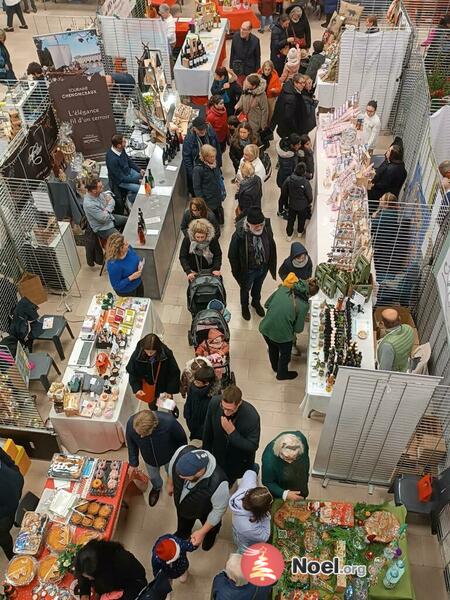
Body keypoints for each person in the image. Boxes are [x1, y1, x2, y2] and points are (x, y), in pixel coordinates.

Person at [167, 447, 229, 551]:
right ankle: (183, 533)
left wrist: (202, 532)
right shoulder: (181, 452)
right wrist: (170, 482)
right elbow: (171, 467)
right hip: (184, 508)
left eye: (185, 477)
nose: (181, 478)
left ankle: (210, 536)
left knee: (211, 528)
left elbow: (218, 511)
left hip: (205, 511)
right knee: (183, 524)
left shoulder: (219, 483)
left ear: (199, 472)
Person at [259, 276, 318, 379]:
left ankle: (275, 367)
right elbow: (298, 329)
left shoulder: (283, 288)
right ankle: (281, 374)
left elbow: (267, 304)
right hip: (283, 336)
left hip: (266, 327)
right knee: (285, 354)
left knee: (272, 347)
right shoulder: (304, 305)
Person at [127, 409, 187, 506]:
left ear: (153, 427)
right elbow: (131, 443)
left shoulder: (169, 422)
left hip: (169, 456)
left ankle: (173, 483)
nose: (141, 437)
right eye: (139, 434)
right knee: (154, 476)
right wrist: (133, 463)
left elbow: (182, 440)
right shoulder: (131, 423)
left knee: (171, 472)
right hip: (149, 458)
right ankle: (157, 487)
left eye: (143, 435)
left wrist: (180, 457)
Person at [202, 385, 260, 486]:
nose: (226, 412)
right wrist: (206, 454)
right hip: (218, 454)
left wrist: (232, 433)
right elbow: (208, 431)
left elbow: (252, 446)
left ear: (239, 404)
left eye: (230, 410)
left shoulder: (251, 416)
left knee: (230, 480)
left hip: (237, 460)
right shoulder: (214, 403)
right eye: (223, 408)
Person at [228, 207, 277, 320]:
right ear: (248, 223)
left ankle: (256, 302)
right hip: (248, 270)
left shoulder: (266, 228)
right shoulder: (239, 235)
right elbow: (232, 256)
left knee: (258, 286)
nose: (259, 227)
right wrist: (237, 274)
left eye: (261, 224)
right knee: (245, 289)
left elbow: (271, 244)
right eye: (256, 225)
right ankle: (245, 306)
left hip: (263, 266)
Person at [74, 540, 147, 600]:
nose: (89, 579)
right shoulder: (87, 561)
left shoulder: (123, 560)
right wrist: (84, 595)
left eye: (90, 577)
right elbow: (84, 578)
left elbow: (139, 581)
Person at [126, 333, 180, 409]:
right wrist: (137, 388)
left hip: (163, 386)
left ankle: (169, 411)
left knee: (166, 404)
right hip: (148, 387)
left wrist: (170, 390)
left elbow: (174, 372)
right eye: (147, 351)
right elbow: (132, 372)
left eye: (152, 352)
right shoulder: (138, 354)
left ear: (157, 349)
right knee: (152, 404)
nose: (149, 354)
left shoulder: (166, 354)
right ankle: (154, 413)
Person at [229, 469, 272, 552]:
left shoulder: (248, 487)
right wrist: (267, 517)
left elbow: (250, 472)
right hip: (244, 539)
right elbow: (265, 536)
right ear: (260, 512)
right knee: (244, 551)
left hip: (238, 525)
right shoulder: (249, 527)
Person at [371, 193, 409, 280]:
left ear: (386, 204)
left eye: (382, 199)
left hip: (382, 251)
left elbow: (371, 227)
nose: (380, 198)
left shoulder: (386, 215)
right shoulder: (390, 213)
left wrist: (373, 217)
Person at [262, 431, 310, 499]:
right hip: (282, 486)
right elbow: (268, 482)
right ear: (278, 451)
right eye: (287, 458)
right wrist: (284, 494)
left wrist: (306, 475)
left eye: (295, 457)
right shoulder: (269, 460)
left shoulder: (301, 438)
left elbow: (306, 460)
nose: (290, 462)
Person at [183, 116, 222, 195]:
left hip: (211, 165)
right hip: (198, 167)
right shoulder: (189, 139)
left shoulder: (210, 131)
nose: (202, 131)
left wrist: (219, 164)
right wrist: (192, 174)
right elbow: (186, 157)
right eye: (200, 129)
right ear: (194, 128)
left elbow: (217, 147)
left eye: (204, 128)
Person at [368, 144, 407, 214]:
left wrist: (371, 183)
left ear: (393, 155)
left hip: (380, 195)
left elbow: (381, 185)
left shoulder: (391, 169)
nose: (387, 152)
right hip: (389, 194)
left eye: (389, 151)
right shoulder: (400, 165)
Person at [105, 135, 144, 205]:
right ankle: (129, 198)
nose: (126, 141)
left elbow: (128, 161)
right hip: (121, 181)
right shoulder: (112, 160)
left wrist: (139, 170)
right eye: (124, 141)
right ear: (119, 145)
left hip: (128, 172)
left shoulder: (121, 149)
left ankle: (131, 190)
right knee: (141, 189)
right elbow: (121, 178)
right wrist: (137, 181)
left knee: (143, 177)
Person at [184, 366, 219, 441]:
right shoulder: (192, 388)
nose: (194, 383)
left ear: (207, 383)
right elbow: (188, 401)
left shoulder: (214, 398)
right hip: (192, 424)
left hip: (205, 429)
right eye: (195, 380)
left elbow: (213, 418)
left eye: (198, 382)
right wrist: (187, 417)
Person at [0, 447, 24, 559]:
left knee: (22, 511)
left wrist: (15, 471)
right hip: (2, 515)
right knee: (4, 538)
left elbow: (4, 457)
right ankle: (13, 557)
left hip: (13, 487)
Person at [192, 145, 225, 224]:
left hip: (217, 195)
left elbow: (219, 177)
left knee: (218, 214)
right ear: (204, 157)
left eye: (214, 156)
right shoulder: (198, 169)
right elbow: (197, 187)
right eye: (211, 157)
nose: (213, 159)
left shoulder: (214, 164)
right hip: (208, 200)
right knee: (210, 219)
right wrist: (202, 201)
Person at [280, 162, 313, 240]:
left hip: (292, 204)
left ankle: (289, 235)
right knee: (301, 220)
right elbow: (310, 196)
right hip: (303, 206)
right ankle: (299, 232)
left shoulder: (288, 179)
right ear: (304, 172)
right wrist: (308, 203)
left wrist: (286, 203)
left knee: (291, 220)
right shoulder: (305, 182)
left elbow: (284, 192)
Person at [272, 73, 307, 138]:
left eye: (304, 82)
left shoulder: (288, 87)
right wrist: (297, 130)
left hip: (283, 126)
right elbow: (289, 117)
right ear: (295, 83)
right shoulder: (291, 98)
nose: (303, 85)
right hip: (289, 130)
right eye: (301, 83)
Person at [230, 22, 261, 86]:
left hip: (250, 70)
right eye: (241, 28)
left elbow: (257, 57)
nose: (241, 31)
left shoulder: (255, 40)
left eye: (244, 29)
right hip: (238, 69)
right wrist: (231, 68)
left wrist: (257, 72)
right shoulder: (235, 37)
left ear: (250, 30)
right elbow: (232, 53)